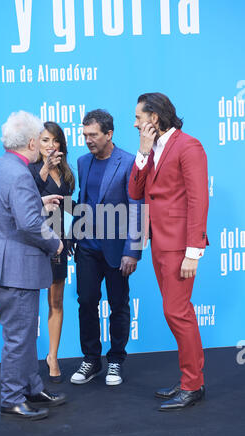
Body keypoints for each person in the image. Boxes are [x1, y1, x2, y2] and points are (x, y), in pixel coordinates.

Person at [0, 110, 67, 420]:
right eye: (39, 141)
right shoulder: (19, 174)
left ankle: (30, 387)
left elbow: (10, 210)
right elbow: (28, 223)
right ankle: (12, 398)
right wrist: (56, 243)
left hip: (1, 268)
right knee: (18, 336)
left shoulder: (1, 168)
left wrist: (38, 202)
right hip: (13, 271)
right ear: (30, 142)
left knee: (24, 334)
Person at [128, 93, 209, 411]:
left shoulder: (189, 146)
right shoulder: (152, 149)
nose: (134, 123)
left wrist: (194, 251)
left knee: (178, 313)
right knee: (177, 313)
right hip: (159, 244)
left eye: (138, 117)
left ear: (154, 118)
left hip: (179, 246)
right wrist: (143, 154)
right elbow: (134, 191)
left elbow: (198, 199)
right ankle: (190, 379)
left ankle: (193, 385)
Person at [70, 109, 143, 386]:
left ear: (109, 134)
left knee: (118, 304)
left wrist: (132, 251)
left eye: (93, 135)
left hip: (117, 250)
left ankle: (115, 361)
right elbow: (82, 201)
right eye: (85, 134)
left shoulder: (128, 162)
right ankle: (91, 359)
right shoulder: (82, 161)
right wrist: (67, 235)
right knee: (86, 302)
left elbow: (137, 207)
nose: (88, 140)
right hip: (87, 246)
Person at [29, 122, 75, 383]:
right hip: (35, 244)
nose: (50, 145)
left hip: (58, 243)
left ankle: (53, 356)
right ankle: (25, 360)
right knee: (29, 305)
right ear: (37, 143)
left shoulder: (68, 174)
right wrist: (45, 168)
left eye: (55, 140)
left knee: (56, 302)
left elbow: (68, 209)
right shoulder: (31, 170)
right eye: (45, 140)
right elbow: (26, 202)